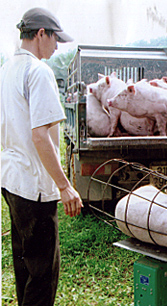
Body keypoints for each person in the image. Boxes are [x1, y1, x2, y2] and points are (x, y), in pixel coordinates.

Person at [0, 7, 83, 306]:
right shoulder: (38, 71)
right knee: (43, 274)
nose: (57, 46)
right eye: (55, 38)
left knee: (25, 265)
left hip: (11, 183)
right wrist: (64, 185)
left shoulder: (6, 70)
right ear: (40, 34)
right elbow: (40, 136)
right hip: (35, 189)